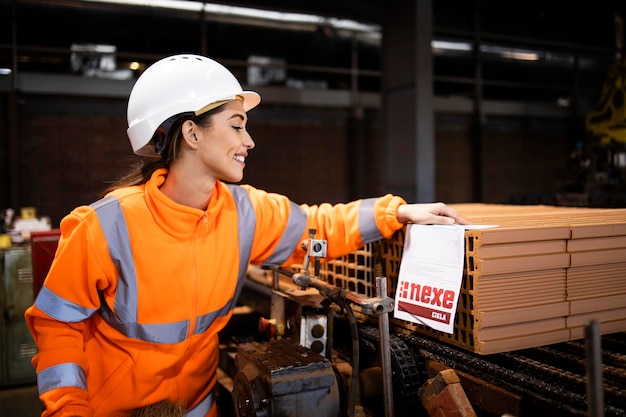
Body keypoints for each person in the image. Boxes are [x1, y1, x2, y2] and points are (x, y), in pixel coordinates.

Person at [25, 53, 468, 417]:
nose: (248, 140)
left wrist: (398, 212)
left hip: (199, 409)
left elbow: (318, 227)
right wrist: (69, 410)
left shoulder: (243, 212)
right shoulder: (104, 226)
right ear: (192, 133)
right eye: (237, 125)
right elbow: (57, 327)